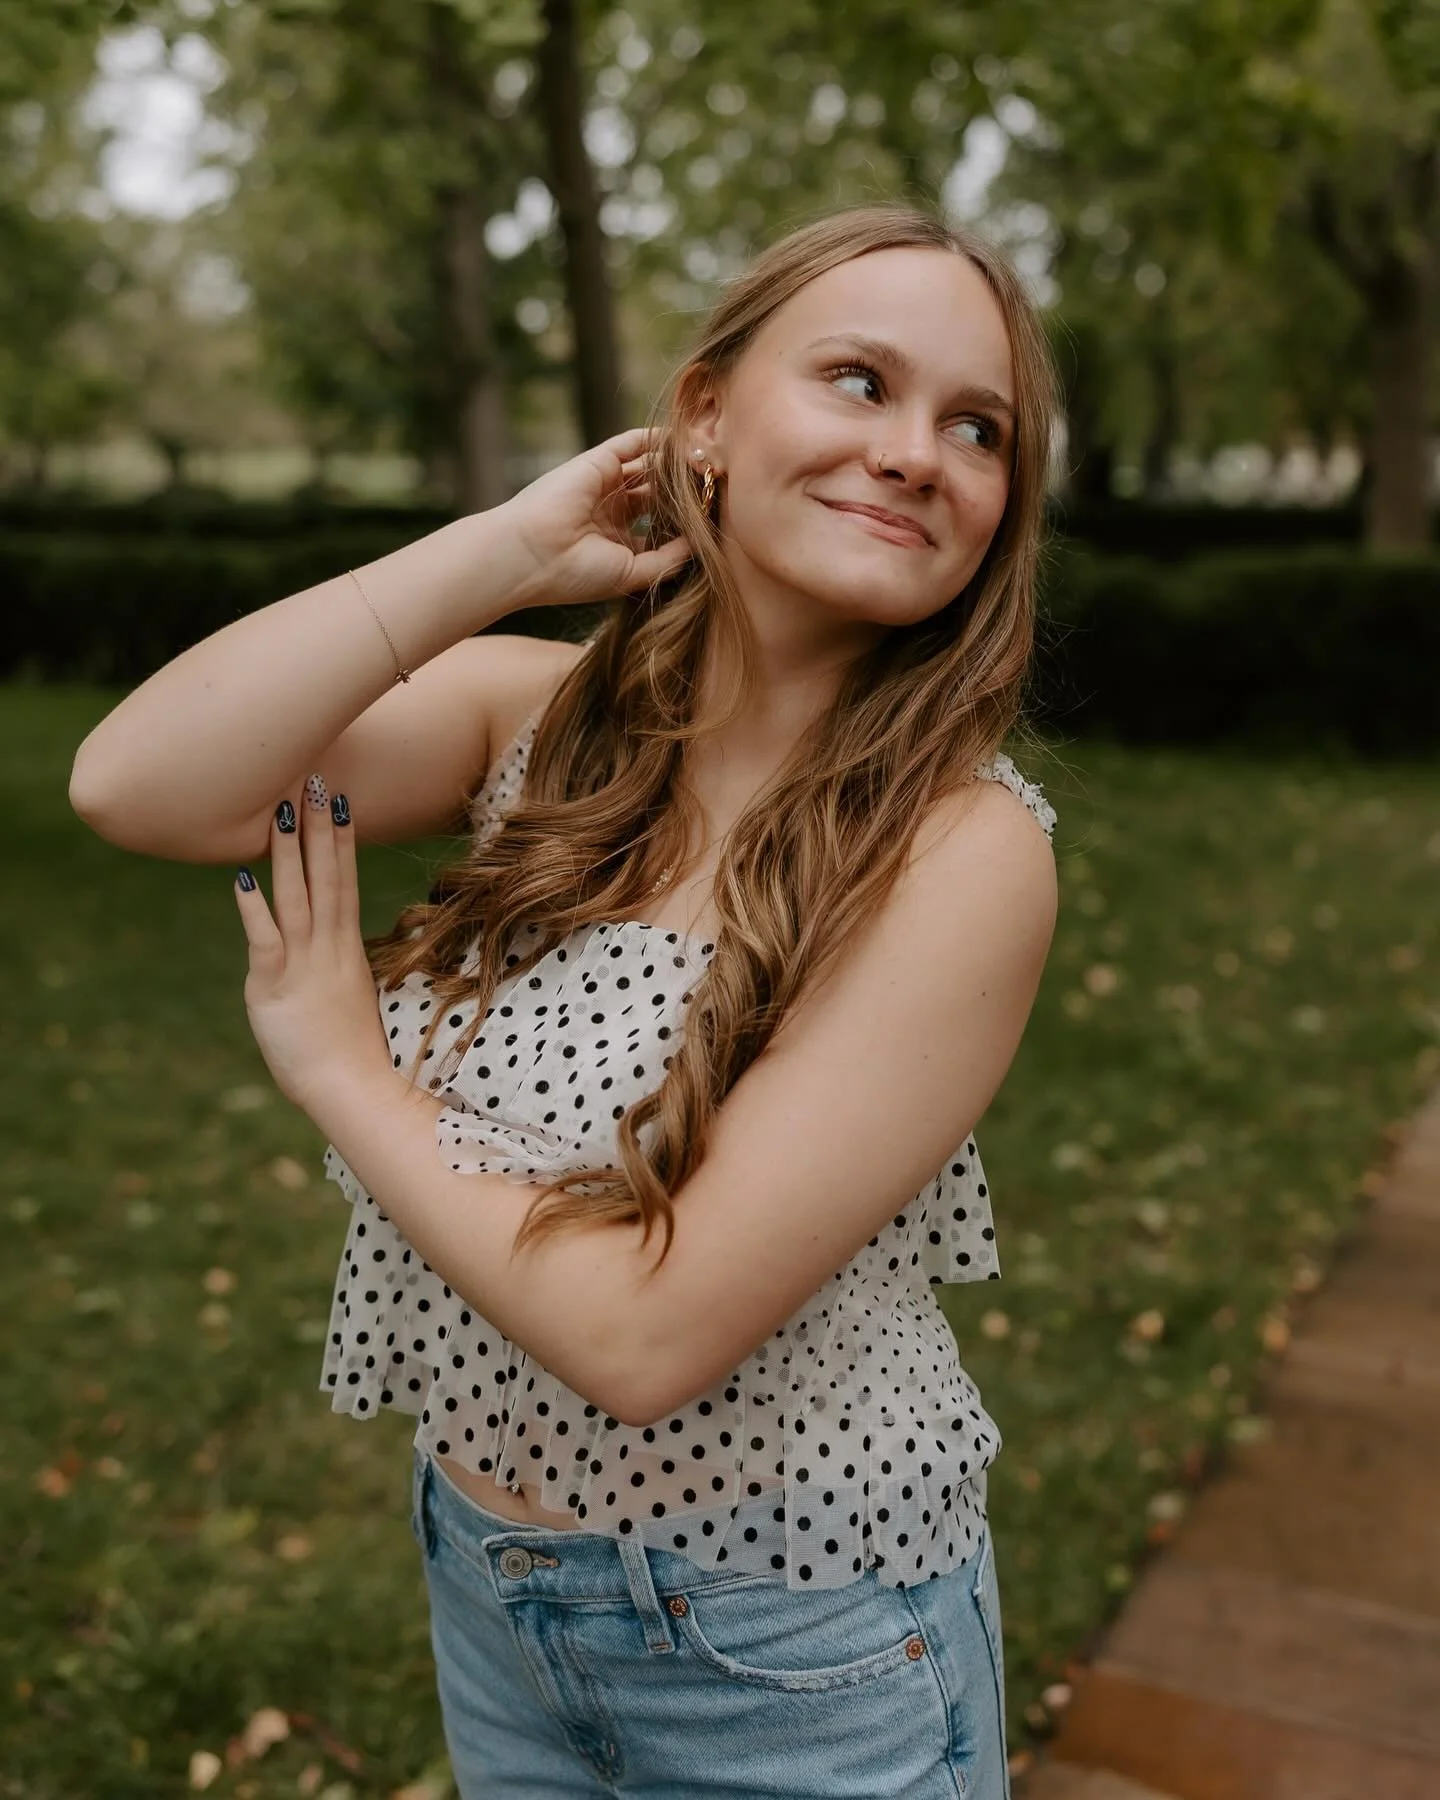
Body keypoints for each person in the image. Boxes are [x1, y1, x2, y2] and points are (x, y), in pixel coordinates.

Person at [69, 201, 1060, 1799]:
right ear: (706, 416)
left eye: (976, 426)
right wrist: (515, 548)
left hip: (793, 1653)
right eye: (859, 381)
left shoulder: (961, 848)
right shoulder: (538, 724)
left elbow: (647, 1330)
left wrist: (346, 1073)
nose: (915, 451)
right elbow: (137, 782)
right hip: (490, 1592)